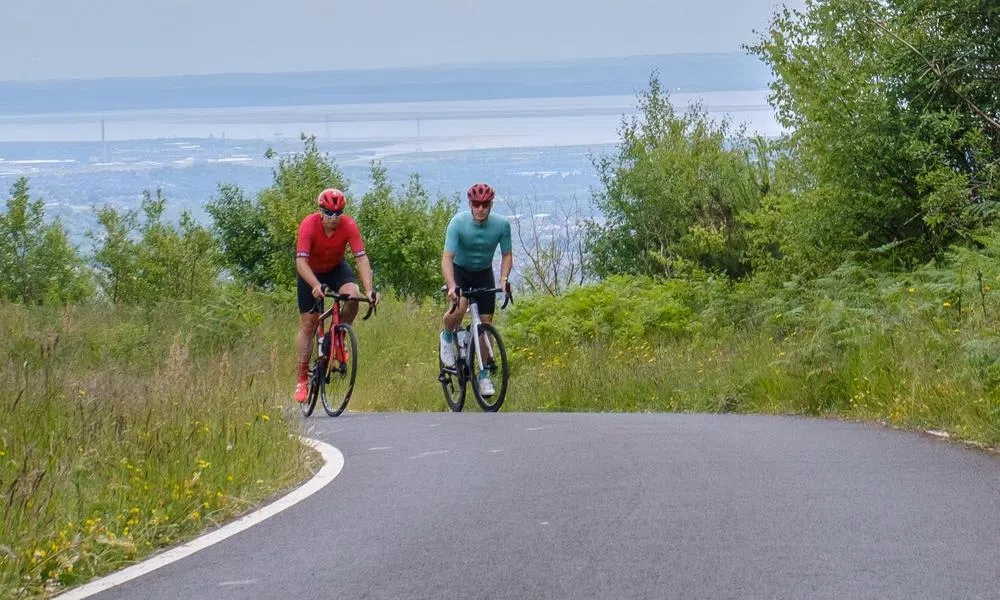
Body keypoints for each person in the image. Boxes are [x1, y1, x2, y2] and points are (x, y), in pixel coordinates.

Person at [293, 187, 377, 403]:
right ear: (320, 211)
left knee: (353, 295)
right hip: (310, 271)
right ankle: (302, 378)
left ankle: (336, 335)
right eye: (329, 213)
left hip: (335, 268)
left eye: (338, 213)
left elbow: (361, 258)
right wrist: (314, 284)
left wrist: (369, 290)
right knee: (309, 325)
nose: (334, 218)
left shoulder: (348, 225)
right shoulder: (308, 225)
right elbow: (300, 262)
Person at [440, 182, 512, 396]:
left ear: (490, 205)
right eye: (476, 204)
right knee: (459, 310)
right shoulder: (458, 223)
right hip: (460, 271)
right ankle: (446, 336)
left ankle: (483, 376)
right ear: (470, 204)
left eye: (485, 204)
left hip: (483, 273)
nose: (480, 209)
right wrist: (452, 285)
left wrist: (504, 279)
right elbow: (447, 258)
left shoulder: (501, 225)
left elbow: (507, 254)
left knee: (486, 324)